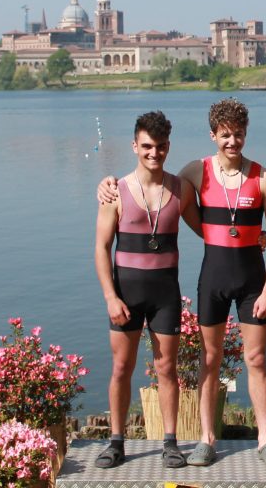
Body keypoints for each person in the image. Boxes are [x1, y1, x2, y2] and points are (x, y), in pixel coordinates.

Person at [99, 98, 266, 468]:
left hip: (253, 279)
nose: (232, 141)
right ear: (213, 135)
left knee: (257, 358)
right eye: (225, 135)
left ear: (245, 134)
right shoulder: (194, 173)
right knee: (208, 359)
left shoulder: (263, 178)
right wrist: (105, 182)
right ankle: (204, 439)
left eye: (238, 135)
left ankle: (265, 440)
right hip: (210, 278)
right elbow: (159, 192)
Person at [92, 111, 200, 469]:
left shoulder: (180, 189)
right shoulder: (115, 191)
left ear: (169, 146)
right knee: (122, 367)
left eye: (161, 146)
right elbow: (100, 248)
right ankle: (116, 442)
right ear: (135, 146)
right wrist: (110, 297)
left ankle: (170, 443)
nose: (154, 153)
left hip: (165, 295)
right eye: (147, 147)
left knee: (167, 369)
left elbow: (209, 228)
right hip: (125, 294)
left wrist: (253, 237)